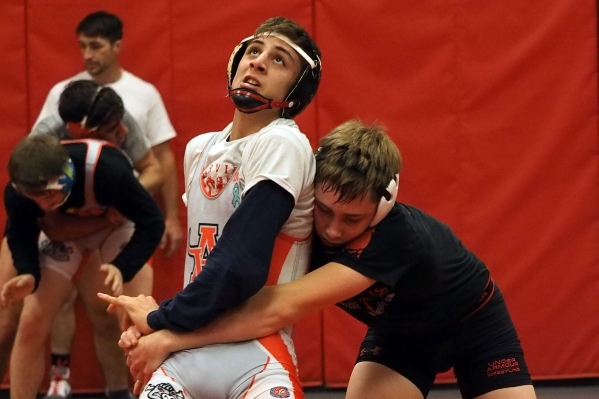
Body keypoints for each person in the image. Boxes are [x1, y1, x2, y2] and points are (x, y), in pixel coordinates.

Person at [104, 120, 538, 399]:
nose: (331, 229)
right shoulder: (300, 207)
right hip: (401, 335)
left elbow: (275, 307)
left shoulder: (396, 237)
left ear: (382, 208)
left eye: (352, 219)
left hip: (474, 327)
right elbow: (232, 277)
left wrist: (167, 331)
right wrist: (164, 322)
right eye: (325, 211)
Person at [106, 16, 321, 399]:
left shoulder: (283, 142)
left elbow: (239, 266)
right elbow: (205, 263)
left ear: (295, 92)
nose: (256, 61)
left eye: (278, 60)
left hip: (256, 350)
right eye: (253, 50)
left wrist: (159, 319)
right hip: (187, 345)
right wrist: (163, 328)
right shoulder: (200, 149)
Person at [34, 11, 181, 397]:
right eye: (82, 45)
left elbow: (159, 162)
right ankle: (58, 379)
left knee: (114, 310)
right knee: (53, 302)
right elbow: (36, 159)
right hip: (70, 214)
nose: (87, 54)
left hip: (120, 217)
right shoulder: (62, 96)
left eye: (95, 46)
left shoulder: (142, 95)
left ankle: (126, 391)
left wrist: (168, 216)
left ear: (117, 45)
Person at [0, 80, 162, 398]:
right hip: (70, 226)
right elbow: (26, 230)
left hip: (115, 219)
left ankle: (145, 392)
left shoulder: (109, 168)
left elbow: (150, 219)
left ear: (65, 173)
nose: (43, 202)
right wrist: (28, 272)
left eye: (48, 194)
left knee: (135, 320)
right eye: (35, 198)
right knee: (30, 318)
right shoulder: (24, 186)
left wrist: (122, 265)